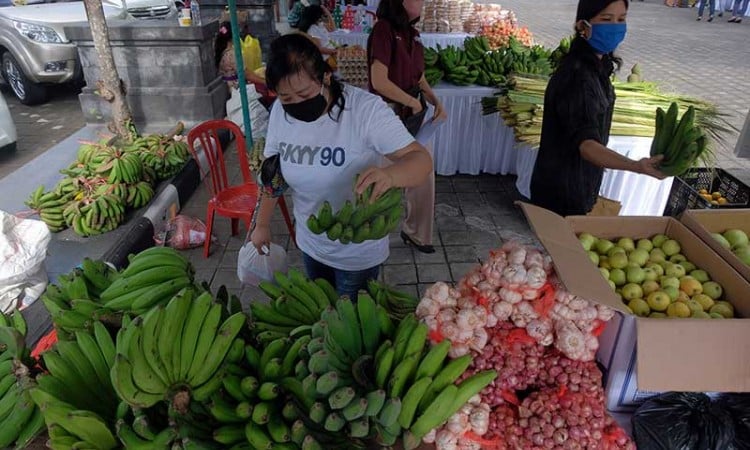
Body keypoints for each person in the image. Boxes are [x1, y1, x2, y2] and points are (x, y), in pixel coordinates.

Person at [249, 34, 433, 300]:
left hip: (357, 250)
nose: (296, 103)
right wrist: (262, 224)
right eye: (287, 98)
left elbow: (421, 160)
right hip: (311, 242)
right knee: (323, 311)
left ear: (324, 76)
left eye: (304, 93)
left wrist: (391, 175)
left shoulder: (365, 110)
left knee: (350, 321)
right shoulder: (280, 112)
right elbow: (273, 172)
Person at [529, 0, 665, 217]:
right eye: (606, 19)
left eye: (621, 19)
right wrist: (636, 166)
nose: (615, 26)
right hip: (562, 193)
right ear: (582, 26)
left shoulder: (599, 66)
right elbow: (587, 145)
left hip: (578, 184)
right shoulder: (577, 77)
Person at [367, 0, 447, 254]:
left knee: (423, 173)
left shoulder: (413, 34)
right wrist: (411, 101)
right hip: (389, 114)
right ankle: (369, 238)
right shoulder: (383, 30)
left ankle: (417, 233)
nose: (423, 2)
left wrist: (434, 99)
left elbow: (418, 76)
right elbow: (378, 81)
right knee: (382, 179)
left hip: (415, 113)